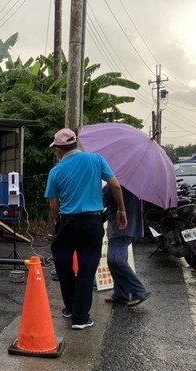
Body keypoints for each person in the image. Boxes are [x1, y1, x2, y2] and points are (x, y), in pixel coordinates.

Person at [45, 128, 127, 329]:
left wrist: (58, 222)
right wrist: (121, 211)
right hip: (92, 223)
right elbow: (115, 186)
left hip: (69, 222)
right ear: (76, 144)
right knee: (87, 268)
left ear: (58, 149)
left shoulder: (56, 171)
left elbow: (53, 205)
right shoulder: (96, 159)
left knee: (63, 263)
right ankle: (80, 318)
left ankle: (71, 308)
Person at [104, 186, 150, 306]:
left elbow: (105, 198)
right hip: (130, 224)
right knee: (115, 261)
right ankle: (121, 293)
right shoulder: (134, 182)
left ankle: (139, 290)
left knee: (116, 260)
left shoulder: (117, 181)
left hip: (121, 226)